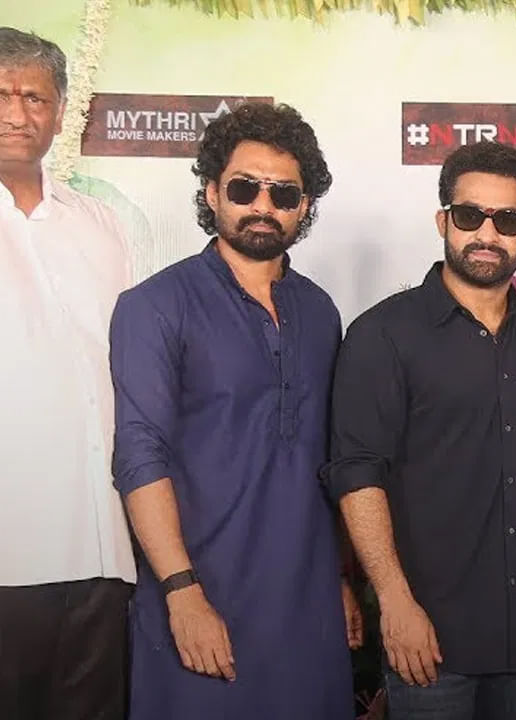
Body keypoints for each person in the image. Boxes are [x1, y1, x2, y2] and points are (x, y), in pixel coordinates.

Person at [322, 140, 516, 720]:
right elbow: (357, 476)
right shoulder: (383, 336)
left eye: (508, 220)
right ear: (443, 221)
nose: (487, 234)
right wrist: (395, 602)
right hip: (428, 638)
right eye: (470, 215)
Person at [110, 101, 359, 720]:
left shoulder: (320, 312)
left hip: (307, 602)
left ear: (304, 206)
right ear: (212, 192)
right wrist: (180, 590)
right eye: (246, 188)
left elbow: (328, 458)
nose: (263, 206)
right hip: (201, 594)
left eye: (284, 193)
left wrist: (340, 577)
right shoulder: (154, 305)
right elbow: (139, 454)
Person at [0, 26, 135, 720]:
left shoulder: (102, 223)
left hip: (102, 544)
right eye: (1, 95)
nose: (17, 113)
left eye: (35, 97)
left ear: (59, 114)